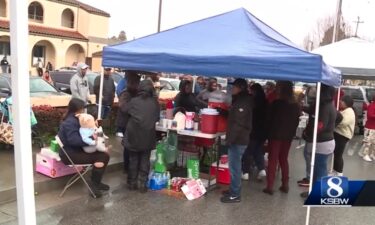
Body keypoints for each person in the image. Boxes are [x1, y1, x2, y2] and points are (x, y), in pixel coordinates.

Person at [58, 98, 110, 198]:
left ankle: (96, 182)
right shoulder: (70, 122)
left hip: (75, 151)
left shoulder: (75, 118)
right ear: (77, 109)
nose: (83, 111)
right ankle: (94, 185)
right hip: (70, 155)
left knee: (104, 155)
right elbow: (74, 141)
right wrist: (92, 140)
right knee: (102, 156)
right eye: (82, 108)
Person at [263, 81, 300, 195]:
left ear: (282, 89)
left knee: (273, 160)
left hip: (275, 135)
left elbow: (268, 119)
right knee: (284, 159)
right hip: (288, 136)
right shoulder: (296, 105)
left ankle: (270, 186)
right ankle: (285, 184)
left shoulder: (276, 103)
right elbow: (296, 121)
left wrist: (266, 134)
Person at [300, 84, 337, 198]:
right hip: (326, 142)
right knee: (317, 168)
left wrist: (309, 133)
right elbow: (338, 118)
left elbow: (321, 125)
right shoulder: (330, 105)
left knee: (320, 170)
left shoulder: (324, 107)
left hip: (322, 143)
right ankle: (314, 191)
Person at [123, 80, 160, 193]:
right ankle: (142, 184)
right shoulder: (155, 103)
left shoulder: (134, 101)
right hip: (148, 135)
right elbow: (157, 118)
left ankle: (131, 183)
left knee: (133, 159)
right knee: (145, 159)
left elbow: (124, 109)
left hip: (134, 134)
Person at [220, 78, 253, 203]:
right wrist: (223, 112)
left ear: (241, 88)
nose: (231, 89)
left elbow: (239, 124)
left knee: (235, 167)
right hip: (237, 138)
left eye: (234, 87)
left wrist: (230, 139)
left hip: (238, 140)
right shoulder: (240, 100)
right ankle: (233, 189)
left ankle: (235, 194)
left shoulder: (243, 102)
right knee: (234, 166)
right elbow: (234, 117)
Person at [242, 83, 268, 181]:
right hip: (263, 131)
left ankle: (245, 172)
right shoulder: (265, 101)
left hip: (253, 130)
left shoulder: (252, 102)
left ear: (254, 91)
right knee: (258, 150)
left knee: (248, 151)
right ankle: (261, 169)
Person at [117, 71, 141, 172]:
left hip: (132, 123)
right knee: (127, 146)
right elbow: (124, 107)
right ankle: (126, 167)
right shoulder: (125, 93)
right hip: (125, 123)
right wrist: (135, 109)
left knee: (131, 145)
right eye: (137, 83)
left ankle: (131, 166)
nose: (138, 85)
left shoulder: (136, 93)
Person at [332, 95, 355, 176]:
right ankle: (335, 170)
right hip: (339, 134)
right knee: (336, 153)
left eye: (342, 101)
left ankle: (339, 172)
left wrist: (334, 123)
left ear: (346, 102)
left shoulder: (349, 111)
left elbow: (343, 122)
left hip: (342, 135)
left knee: (338, 154)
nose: (340, 102)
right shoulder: (345, 110)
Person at [361, 94, 375, 161]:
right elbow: (370, 115)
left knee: (373, 142)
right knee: (368, 142)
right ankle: (365, 154)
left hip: (373, 127)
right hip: (370, 127)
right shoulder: (372, 105)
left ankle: (372, 154)